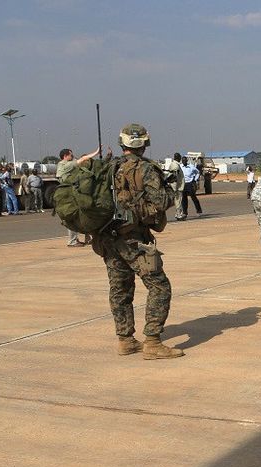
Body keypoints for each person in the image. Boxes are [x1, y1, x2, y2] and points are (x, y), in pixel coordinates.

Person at [91, 123, 183, 360]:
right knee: (160, 286)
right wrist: (171, 189)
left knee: (120, 289)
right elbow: (161, 202)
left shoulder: (108, 168)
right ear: (144, 144)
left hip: (107, 237)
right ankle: (152, 341)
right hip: (133, 238)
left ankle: (125, 340)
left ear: (123, 144)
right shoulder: (146, 169)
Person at [57, 147, 100, 246]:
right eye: (71, 155)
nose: (72, 157)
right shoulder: (65, 165)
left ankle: (87, 238)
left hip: (70, 193)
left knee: (82, 214)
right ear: (65, 156)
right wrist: (96, 152)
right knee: (72, 216)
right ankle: (72, 241)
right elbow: (83, 159)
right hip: (69, 195)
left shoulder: (66, 165)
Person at [161, 153, 184, 220]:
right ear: (178, 158)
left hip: (175, 186)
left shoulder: (174, 164)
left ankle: (178, 214)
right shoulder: (175, 166)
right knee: (178, 201)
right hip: (177, 187)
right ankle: (179, 215)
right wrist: (175, 188)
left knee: (177, 201)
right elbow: (174, 177)